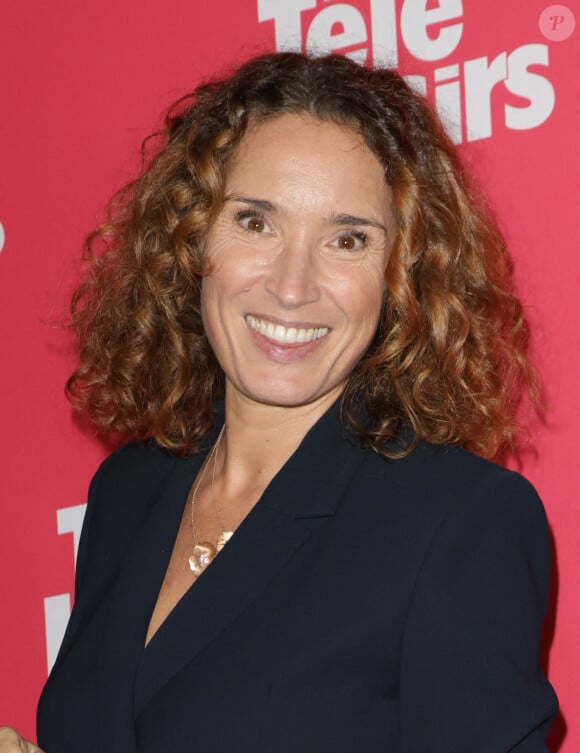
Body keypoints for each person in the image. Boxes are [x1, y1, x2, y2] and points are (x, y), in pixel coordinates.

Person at [3, 52, 557, 752]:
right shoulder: (126, 492)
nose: (292, 285)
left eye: (347, 239)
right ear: (193, 236)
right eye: (256, 223)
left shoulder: (460, 525)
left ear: (399, 276)